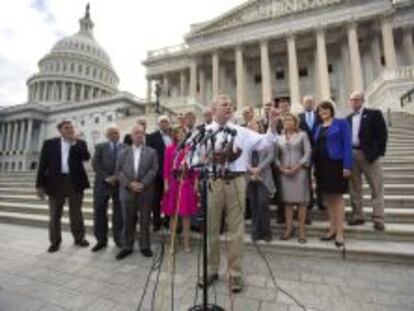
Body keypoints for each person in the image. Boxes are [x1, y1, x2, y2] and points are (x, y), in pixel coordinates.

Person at [201, 95, 279, 293]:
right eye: (224, 104)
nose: (228, 107)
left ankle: (235, 274)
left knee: (236, 229)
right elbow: (195, 157)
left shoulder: (242, 131)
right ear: (213, 109)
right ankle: (211, 269)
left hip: (237, 180)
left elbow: (265, 143)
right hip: (214, 181)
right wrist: (207, 157)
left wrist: (272, 125)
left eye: (230, 105)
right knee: (212, 227)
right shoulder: (204, 132)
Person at [36, 120, 90, 253]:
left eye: (71, 127)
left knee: (76, 213)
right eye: (66, 128)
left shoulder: (80, 143)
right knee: (55, 214)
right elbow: (42, 165)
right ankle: (55, 241)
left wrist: (74, 143)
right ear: (60, 130)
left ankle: (79, 238)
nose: (70, 130)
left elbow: (86, 157)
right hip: (55, 182)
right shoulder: (49, 144)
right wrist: (39, 185)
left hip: (75, 182)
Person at [115, 125, 158, 260]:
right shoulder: (122, 152)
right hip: (127, 192)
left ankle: (145, 246)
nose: (140, 135)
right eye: (137, 133)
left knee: (145, 220)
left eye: (142, 133)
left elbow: (153, 169)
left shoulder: (152, 152)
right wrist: (129, 184)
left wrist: (143, 183)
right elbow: (118, 171)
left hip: (145, 192)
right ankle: (127, 246)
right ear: (131, 136)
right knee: (128, 220)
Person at [346, 91, 388, 231]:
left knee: (376, 187)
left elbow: (382, 135)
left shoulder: (374, 114)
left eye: (356, 99)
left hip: (369, 155)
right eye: (351, 100)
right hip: (352, 154)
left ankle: (378, 218)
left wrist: (376, 153)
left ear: (362, 100)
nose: (353, 102)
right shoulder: (347, 118)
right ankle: (358, 215)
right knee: (354, 188)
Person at [313, 100, 352, 247]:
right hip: (322, 166)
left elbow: (347, 144)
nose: (323, 112)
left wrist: (347, 165)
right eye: (320, 110)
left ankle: (340, 232)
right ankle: (332, 228)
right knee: (328, 199)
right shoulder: (318, 128)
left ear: (331, 110)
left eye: (325, 109)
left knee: (337, 198)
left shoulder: (341, 123)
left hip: (336, 164)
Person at [275, 113, 311, 243]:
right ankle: (288, 229)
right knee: (288, 203)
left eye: (289, 119)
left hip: (299, 171)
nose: (286, 121)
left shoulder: (302, 135)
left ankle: (302, 231)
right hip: (284, 173)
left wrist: (297, 167)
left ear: (295, 122)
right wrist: (281, 168)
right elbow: (275, 156)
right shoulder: (278, 138)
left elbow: (307, 152)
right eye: (284, 120)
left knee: (301, 202)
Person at [162, 127, 199, 252]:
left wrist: (196, 183)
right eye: (178, 132)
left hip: (186, 183)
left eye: (183, 132)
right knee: (173, 214)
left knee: (186, 214)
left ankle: (186, 242)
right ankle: (172, 242)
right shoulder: (169, 149)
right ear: (175, 135)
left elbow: (195, 169)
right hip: (173, 184)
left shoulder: (190, 149)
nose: (181, 134)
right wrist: (166, 183)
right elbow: (166, 168)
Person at [91, 126, 124, 252]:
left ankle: (119, 238)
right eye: (111, 133)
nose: (114, 135)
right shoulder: (100, 147)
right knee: (99, 212)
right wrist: (107, 178)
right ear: (107, 135)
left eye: (116, 132)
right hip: (102, 184)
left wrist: (117, 177)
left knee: (119, 213)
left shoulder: (125, 147)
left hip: (119, 184)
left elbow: (127, 165)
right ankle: (101, 240)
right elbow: (95, 165)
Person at [246, 120, 276, 242]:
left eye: (254, 124)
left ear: (259, 127)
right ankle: (255, 232)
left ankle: (266, 233)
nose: (252, 126)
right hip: (250, 177)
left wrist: (258, 169)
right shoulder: (245, 141)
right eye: (250, 125)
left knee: (263, 203)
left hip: (263, 176)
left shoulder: (265, 139)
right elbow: (241, 157)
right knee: (253, 205)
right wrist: (251, 170)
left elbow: (271, 156)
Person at [298, 95, 325, 216]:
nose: (308, 104)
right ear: (303, 104)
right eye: (306, 102)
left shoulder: (321, 116)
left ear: (314, 103)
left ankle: (321, 200)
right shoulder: (299, 117)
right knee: (306, 177)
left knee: (320, 176)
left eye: (310, 102)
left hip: (319, 151)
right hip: (305, 151)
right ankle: (309, 200)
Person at [146, 115, 172, 231]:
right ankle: (156, 222)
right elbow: (149, 155)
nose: (164, 124)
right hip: (157, 174)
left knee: (169, 198)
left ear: (169, 123)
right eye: (161, 122)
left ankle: (167, 220)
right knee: (156, 199)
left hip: (171, 174)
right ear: (158, 124)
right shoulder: (152, 137)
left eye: (166, 122)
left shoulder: (173, 135)